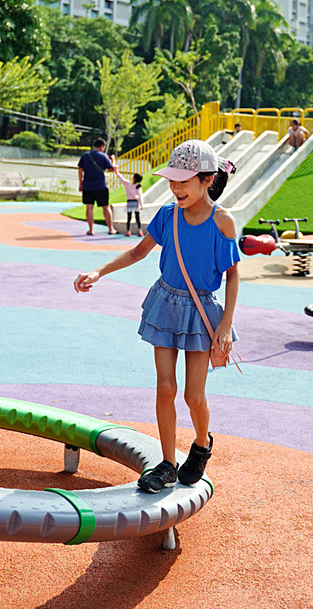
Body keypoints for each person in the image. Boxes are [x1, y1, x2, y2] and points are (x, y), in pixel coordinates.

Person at [73, 139, 240, 493]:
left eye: (184, 181)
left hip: (200, 312)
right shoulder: (167, 215)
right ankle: (166, 463)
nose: (176, 188)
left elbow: (233, 274)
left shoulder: (222, 222)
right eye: (172, 181)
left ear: (206, 180)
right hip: (165, 304)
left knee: (194, 397)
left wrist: (226, 325)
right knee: (165, 388)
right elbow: (138, 251)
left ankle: (201, 444)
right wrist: (99, 271)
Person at [77, 139, 116, 236]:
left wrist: (80, 183)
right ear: (102, 146)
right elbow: (112, 169)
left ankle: (91, 230)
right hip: (100, 186)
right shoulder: (103, 156)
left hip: (87, 185)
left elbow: (80, 170)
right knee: (105, 207)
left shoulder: (85, 155)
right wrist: (113, 160)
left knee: (89, 207)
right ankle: (111, 229)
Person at [114, 170, 146, 237]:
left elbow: (121, 178)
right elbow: (140, 196)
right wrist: (141, 204)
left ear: (134, 178)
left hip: (129, 202)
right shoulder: (138, 186)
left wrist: (117, 172)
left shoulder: (128, 184)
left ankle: (128, 231)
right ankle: (140, 231)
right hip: (135, 203)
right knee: (137, 218)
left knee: (129, 218)